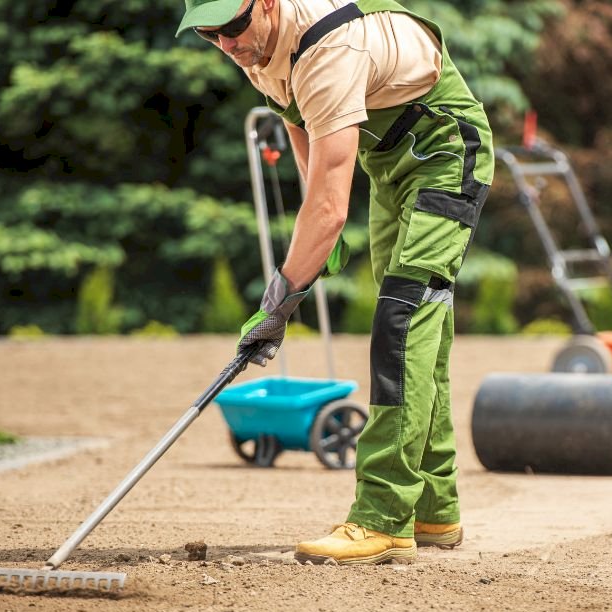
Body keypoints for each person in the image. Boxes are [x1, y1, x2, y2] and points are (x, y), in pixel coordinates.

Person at [176, 0, 494, 565]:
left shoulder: (329, 45)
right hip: (390, 167)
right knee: (422, 332)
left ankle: (381, 517)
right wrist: (313, 219)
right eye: (208, 34)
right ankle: (434, 509)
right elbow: (302, 122)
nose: (225, 44)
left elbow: (330, 207)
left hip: (446, 154)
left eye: (231, 26)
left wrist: (279, 300)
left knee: (402, 324)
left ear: (267, 3)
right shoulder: (259, 45)